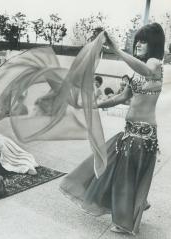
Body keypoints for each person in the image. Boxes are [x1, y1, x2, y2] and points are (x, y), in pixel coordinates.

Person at [60, 23, 165, 235]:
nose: (138, 44)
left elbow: (145, 69)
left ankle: (125, 221)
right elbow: (121, 97)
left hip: (142, 135)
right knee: (112, 170)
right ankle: (137, 203)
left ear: (153, 44)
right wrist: (93, 105)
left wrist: (116, 49)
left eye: (144, 41)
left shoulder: (154, 64)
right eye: (137, 41)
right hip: (129, 132)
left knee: (123, 176)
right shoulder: (137, 74)